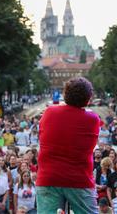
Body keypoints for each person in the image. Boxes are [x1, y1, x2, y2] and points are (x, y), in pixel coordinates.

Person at [36, 77, 100, 214]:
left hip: (48, 178)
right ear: (88, 99)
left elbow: (41, 137)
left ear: (65, 95)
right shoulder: (93, 119)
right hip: (79, 179)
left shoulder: (49, 112)